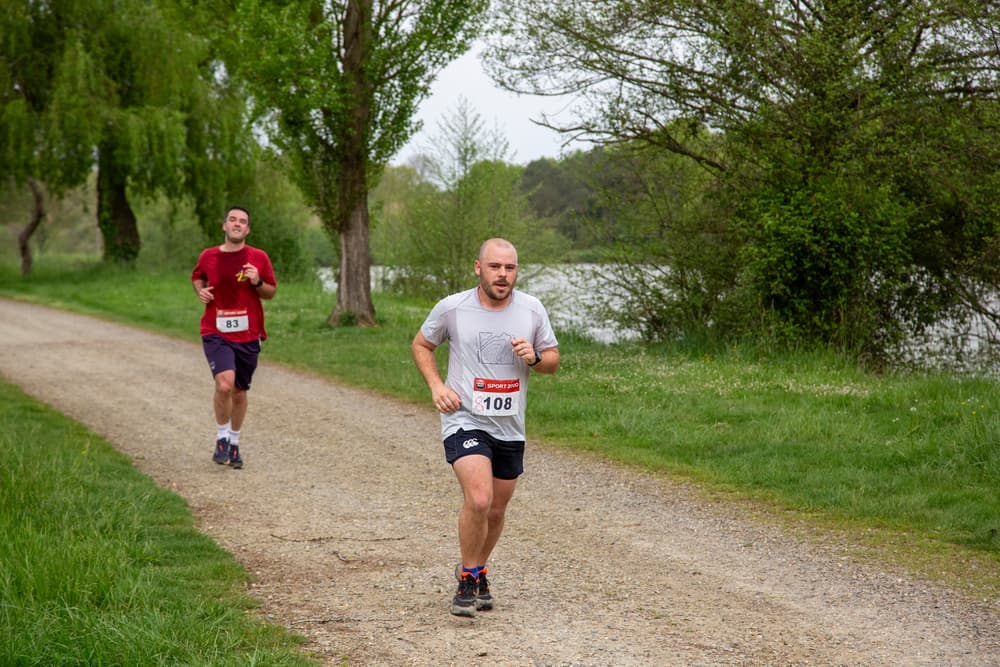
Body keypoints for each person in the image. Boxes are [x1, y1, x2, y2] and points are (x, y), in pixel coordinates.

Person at [412, 238, 560, 617]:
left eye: (509, 268)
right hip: (465, 417)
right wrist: (437, 387)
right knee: (478, 498)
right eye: (495, 267)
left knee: (495, 509)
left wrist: (536, 356)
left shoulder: (531, 309)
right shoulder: (454, 307)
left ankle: (479, 569)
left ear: (516, 271)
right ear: (478, 268)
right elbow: (421, 345)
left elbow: (553, 361)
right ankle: (466, 576)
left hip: (510, 425)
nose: (502, 275)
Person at [191, 206, 276, 469]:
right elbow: (197, 277)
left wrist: (256, 281)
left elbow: (270, 292)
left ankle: (235, 444)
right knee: (224, 385)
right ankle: (221, 438)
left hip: (248, 333)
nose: (237, 224)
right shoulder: (209, 256)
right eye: (232, 220)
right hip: (215, 331)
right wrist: (201, 292)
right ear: (224, 226)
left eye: (242, 221)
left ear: (247, 229)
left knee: (239, 391)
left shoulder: (258, 257)